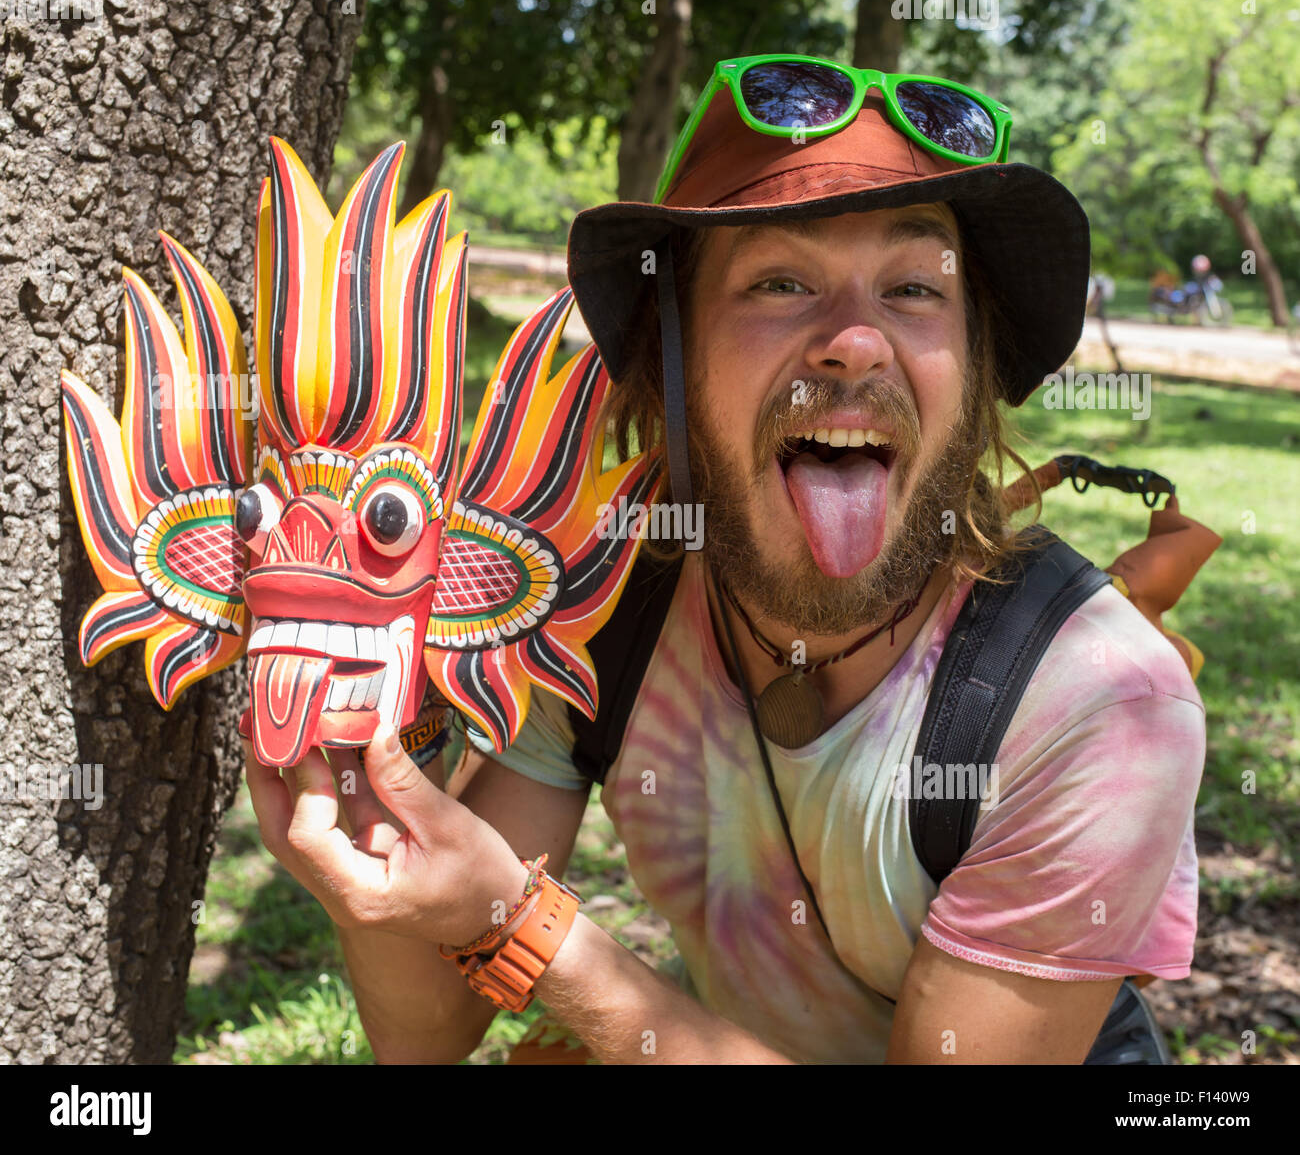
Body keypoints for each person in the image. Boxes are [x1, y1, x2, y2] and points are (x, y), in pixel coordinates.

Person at [246, 54, 1206, 1064]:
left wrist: (529, 933)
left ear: (973, 372)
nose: (854, 343)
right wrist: (379, 779)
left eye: (915, 288)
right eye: (780, 282)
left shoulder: (1097, 699)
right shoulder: (606, 591)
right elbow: (427, 1032)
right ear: (671, 361)